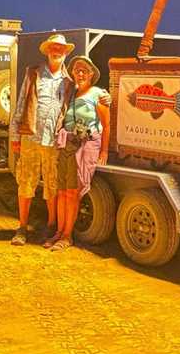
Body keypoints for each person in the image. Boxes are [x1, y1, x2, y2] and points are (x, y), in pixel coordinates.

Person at [8, 34, 75, 246]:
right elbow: (21, 103)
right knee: (26, 181)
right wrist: (15, 135)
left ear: (66, 53)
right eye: (54, 47)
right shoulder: (34, 73)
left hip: (53, 141)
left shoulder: (69, 81)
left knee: (52, 184)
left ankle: (51, 226)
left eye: (61, 49)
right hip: (30, 136)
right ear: (47, 51)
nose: (57, 51)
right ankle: (22, 227)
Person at [45, 56, 110, 251]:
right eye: (77, 70)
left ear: (91, 74)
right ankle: (59, 232)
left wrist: (104, 151)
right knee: (63, 191)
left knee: (73, 192)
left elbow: (106, 126)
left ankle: (67, 235)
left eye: (84, 70)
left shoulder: (98, 94)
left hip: (86, 144)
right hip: (68, 143)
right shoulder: (71, 93)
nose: (80, 73)